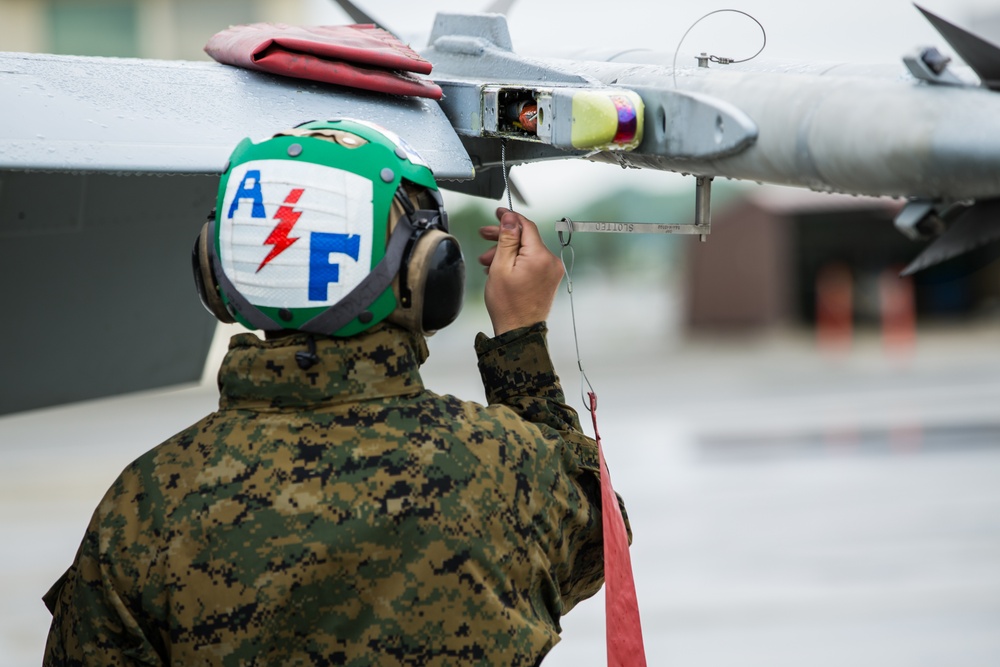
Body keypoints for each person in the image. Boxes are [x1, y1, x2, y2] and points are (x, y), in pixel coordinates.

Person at [42, 119, 628, 666]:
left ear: (217, 271)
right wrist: (520, 340)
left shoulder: (144, 505)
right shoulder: (505, 465)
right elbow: (600, 542)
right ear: (429, 271)